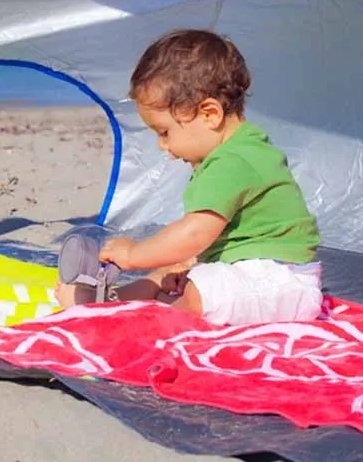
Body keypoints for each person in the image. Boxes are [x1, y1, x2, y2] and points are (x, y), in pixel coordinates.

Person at [54, 29, 323, 325]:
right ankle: (115, 302)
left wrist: (134, 254)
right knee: (170, 272)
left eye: (164, 132)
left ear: (209, 114)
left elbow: (195, 233)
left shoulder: (232, 161)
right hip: (261, 279)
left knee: (199, 292)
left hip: (281, 283)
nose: (162, 146)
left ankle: (142, 322)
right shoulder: (240, 149)